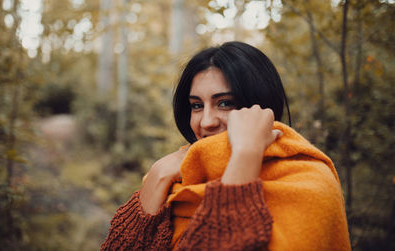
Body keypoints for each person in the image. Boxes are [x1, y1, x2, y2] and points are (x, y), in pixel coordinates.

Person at [101, 41, 351, 250]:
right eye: (197, 105)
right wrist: (157, 174)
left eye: (224, 103)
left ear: (260, 106)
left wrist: (246, 155)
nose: (206, 122)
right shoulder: (177, 174)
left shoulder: (310, 182)